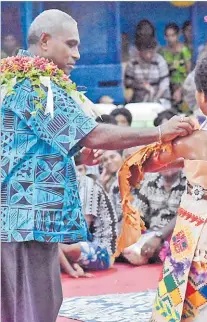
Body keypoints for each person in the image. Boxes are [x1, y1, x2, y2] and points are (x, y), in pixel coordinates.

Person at [0, 9, 194, 322]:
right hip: (25, 221)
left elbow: (31, 142)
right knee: (35, 310)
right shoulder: (38, 85)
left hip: (18, 220)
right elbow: (95, 133)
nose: (77, 54)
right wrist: (160, 132)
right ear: (45, 42)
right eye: (72, 45)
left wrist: (76, 152)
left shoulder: (16, 79)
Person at [118, 16, 207, 321]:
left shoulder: (192, 140)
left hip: (200, 234)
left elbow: (146, 165)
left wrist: (165, 137)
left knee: (191, 300)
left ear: (201, 97)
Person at [123, 167, 186, 266]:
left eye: (172, 159)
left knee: (175, 249)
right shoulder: (150, 180)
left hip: (179, 234)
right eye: (164, 159)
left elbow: (185, 215)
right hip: (151, 233)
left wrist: (158, 237)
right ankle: (138, 252)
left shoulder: (190, 181)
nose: (168, 164)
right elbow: (137, 214)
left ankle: (143, 254)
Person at [125, 36, 171, 105]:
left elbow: (164, 83)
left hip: (160, 98)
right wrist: (141, 86)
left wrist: (155, 98)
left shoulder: (159, 60)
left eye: (151, 52)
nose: (148, 55)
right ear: (139, 51)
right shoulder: (133, 62)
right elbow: (128, 82)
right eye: (145, 52)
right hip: (139, 100)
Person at [159, 23, 192, 110]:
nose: (170, 39)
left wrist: (180, 90)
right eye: (168, 36)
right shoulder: (163, 52)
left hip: (183, 86)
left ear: (178, 35)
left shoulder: (184, 51)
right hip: (168, 87)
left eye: (173, 35)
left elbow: (189, 74)